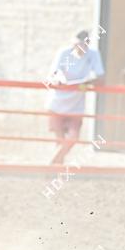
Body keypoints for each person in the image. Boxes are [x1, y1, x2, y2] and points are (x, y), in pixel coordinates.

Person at [45, 30, 105, 165]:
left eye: (83, 45)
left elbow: (101, 78)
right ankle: (55, 168)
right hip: (57, 103)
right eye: (77, 45)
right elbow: (54, 75)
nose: (80, 48)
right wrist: (60, 81)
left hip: (76, 105)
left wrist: (85, 83)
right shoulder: (64, 53)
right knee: (60, 140)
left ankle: (51, 165)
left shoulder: (93, 55)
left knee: (73, 138)